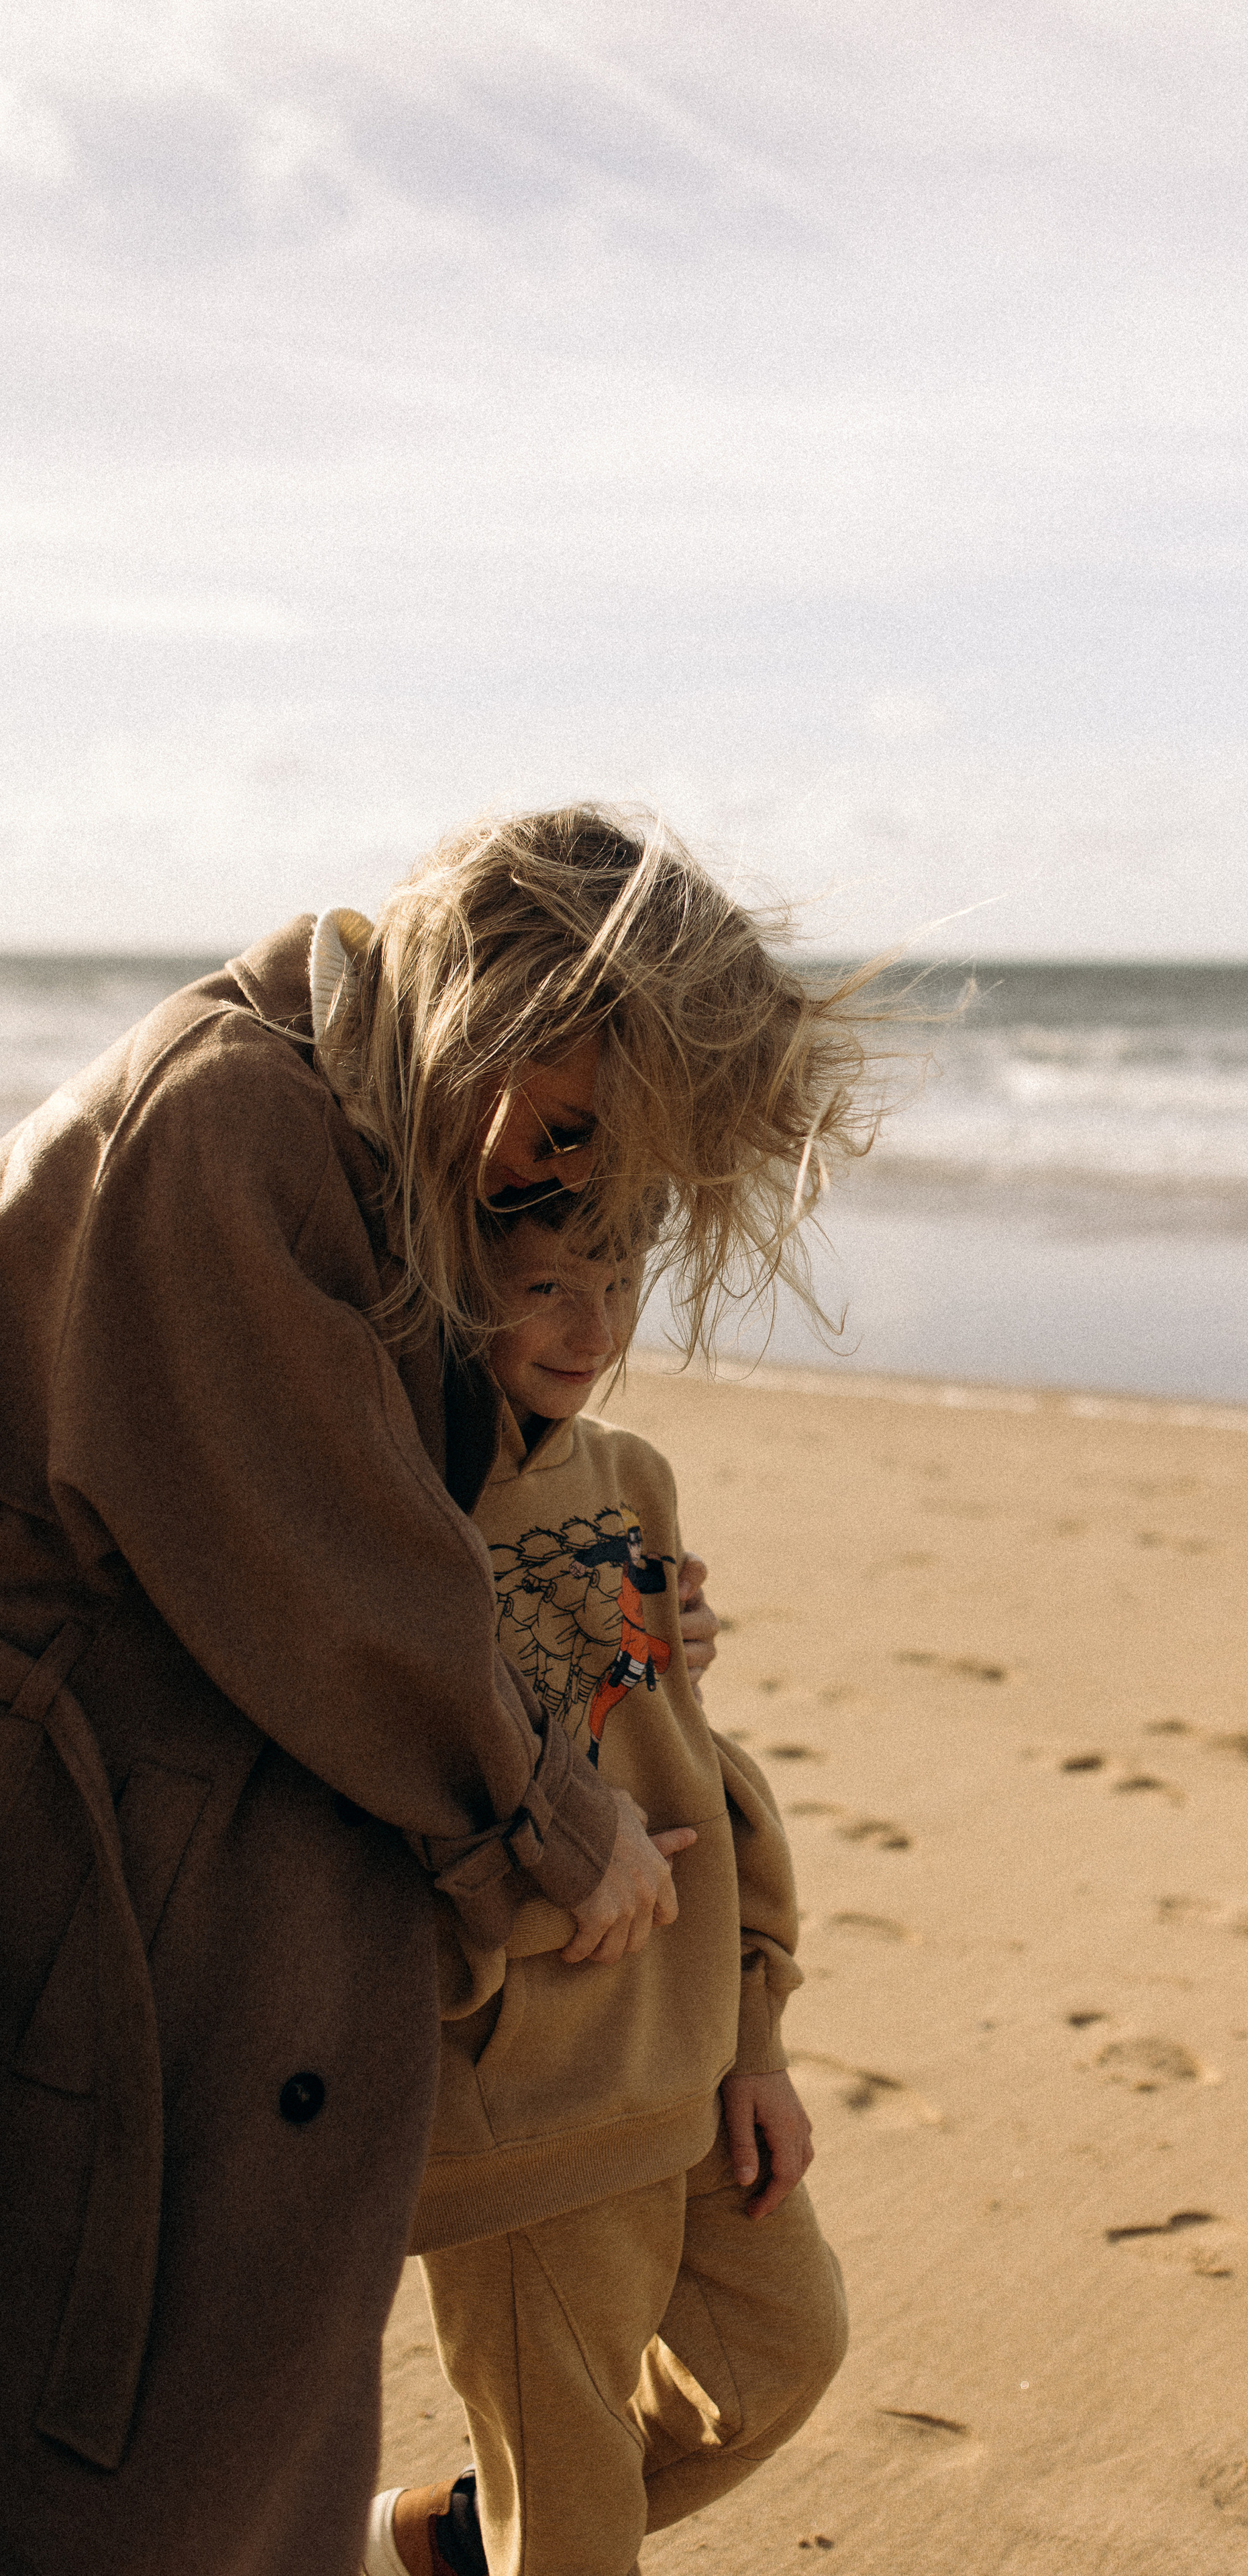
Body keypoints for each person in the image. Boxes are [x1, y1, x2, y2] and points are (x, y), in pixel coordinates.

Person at [0, 807, 875, 2576]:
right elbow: (336, 1555)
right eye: (560, 1129)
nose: (553, 1191)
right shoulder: (228, 1116)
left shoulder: (356, 1148)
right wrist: (554, 1824)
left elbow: (406, 1546)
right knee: (134, 2463)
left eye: (606, 1175)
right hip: (109, 1882)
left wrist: (616, 1627)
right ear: (489, 992)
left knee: (221, 2459)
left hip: (227, 1882)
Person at [366, 1201, 845, 2576]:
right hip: (527, 2106)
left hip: (688, 2061)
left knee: (777, 2356)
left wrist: (756, 2036)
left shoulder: (630, 1480)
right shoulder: (394, 1508)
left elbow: (685, 1755)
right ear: (457, 1289)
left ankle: (448, 2545)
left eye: (618, 1281)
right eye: (545, 1287)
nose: (594, 1326)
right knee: (572, 2527)